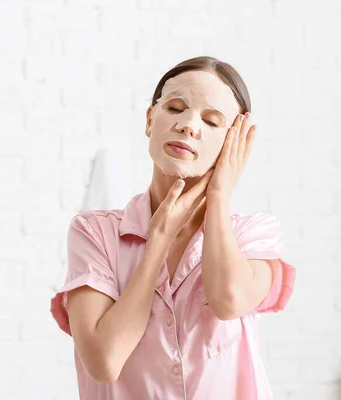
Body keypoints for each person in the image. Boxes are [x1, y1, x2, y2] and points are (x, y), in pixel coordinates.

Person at [50, 56, 296, 400]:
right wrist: (159, 239)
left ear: (232, 144)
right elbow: (104, 361)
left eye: (211, 121)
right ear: (151, 119)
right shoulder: (94, 233)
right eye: (176, 108)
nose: (188, 125)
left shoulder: (253, 234)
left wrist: (219, 196)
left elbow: (228, 301)